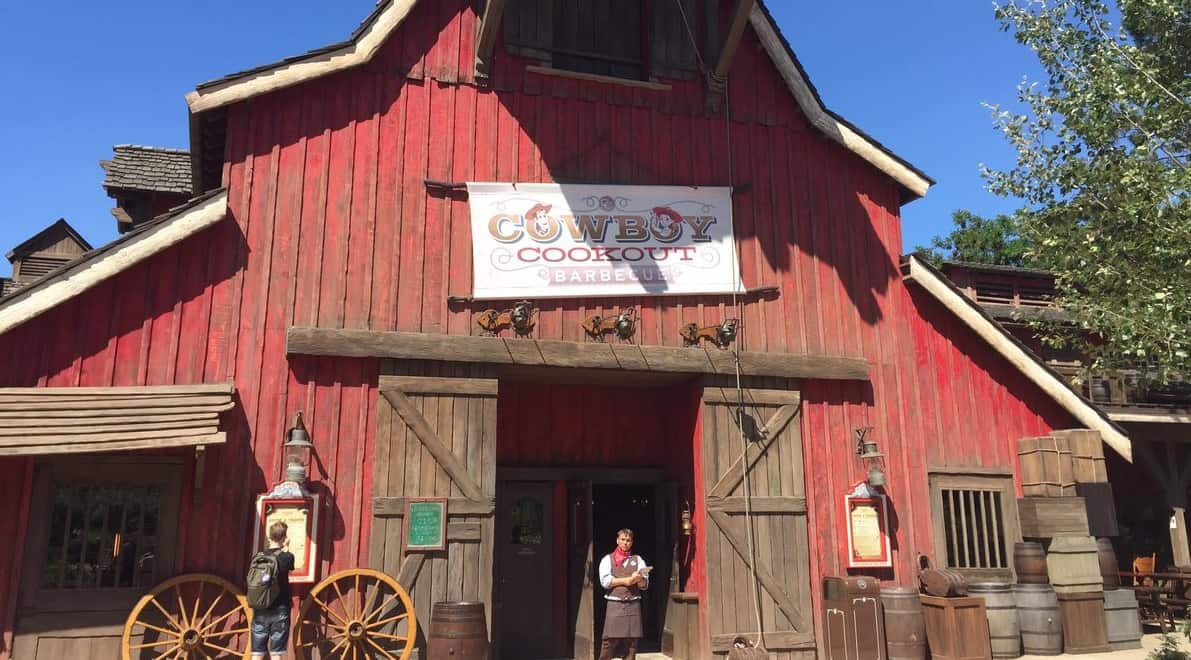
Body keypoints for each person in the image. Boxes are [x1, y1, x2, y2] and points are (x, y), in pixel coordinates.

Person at [597, 528, 650, 660]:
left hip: (633, 603)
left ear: (632, 542)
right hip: (615, 603)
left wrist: (639, 579)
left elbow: (645, 585)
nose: (625, 543)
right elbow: (605, 581)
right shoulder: (607, 559)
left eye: (628, 540)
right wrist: (626, 581)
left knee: (632, 643)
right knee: (609, 641)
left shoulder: (638, 560)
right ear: (617, 540)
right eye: (623, 539)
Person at [250, 522, 296, 660]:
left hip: (260, 607)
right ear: (284, 538)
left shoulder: (258, 557)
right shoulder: (287, 557)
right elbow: (288, 564)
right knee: (277, 653)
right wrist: (286, 547)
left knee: (257, 653)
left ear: (269, 537)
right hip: (280, 608)